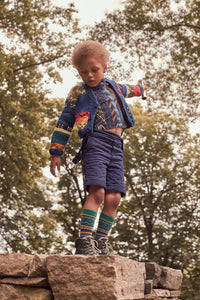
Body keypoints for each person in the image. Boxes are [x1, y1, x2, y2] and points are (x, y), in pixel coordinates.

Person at [49, 40, 147, 255]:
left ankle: (101, 242)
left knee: (114, 197)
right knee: (98, 192)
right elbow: (64, 121)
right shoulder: (78, 92)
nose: (90, 76)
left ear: (105, 67)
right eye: (84, 72)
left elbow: (130, 89)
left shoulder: (114, 87)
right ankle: (85, 241)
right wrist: (56, 151)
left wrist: (142, 89)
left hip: (116, 146)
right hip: (96, 143)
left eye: (94, 70)